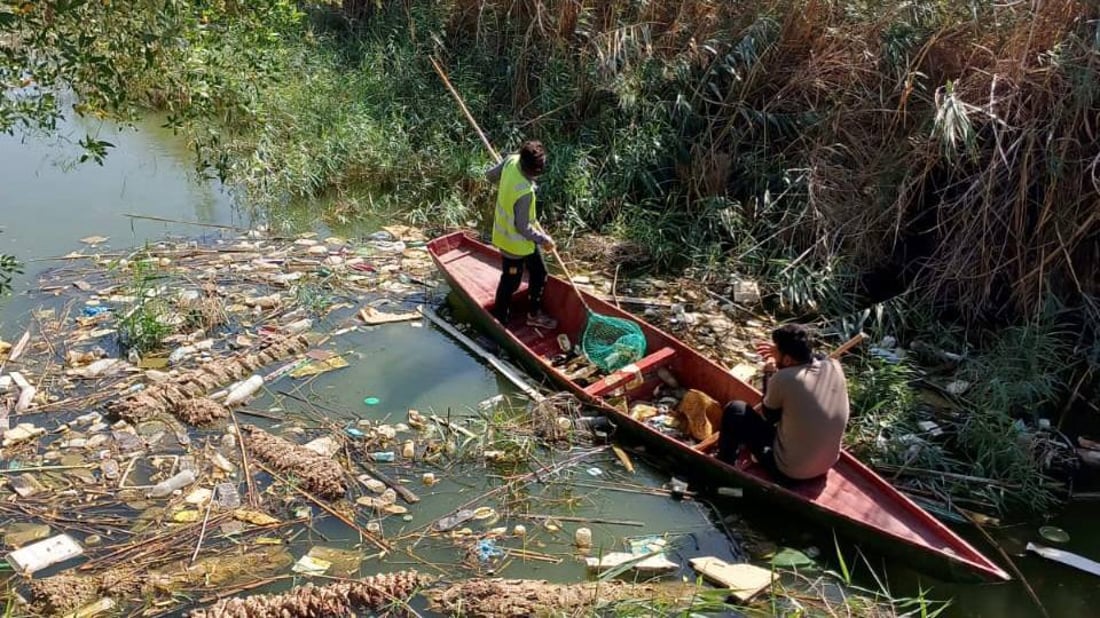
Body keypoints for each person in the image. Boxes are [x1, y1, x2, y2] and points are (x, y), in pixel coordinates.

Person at [718, 324, 850, 484]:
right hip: (827, 464)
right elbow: (820, 356)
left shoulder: (785, 378)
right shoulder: (833, 365)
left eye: (777, 350)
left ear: (787, 359)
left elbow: (769, 417)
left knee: (736, 410)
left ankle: (723, 466)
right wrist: (779, 351)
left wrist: (768, 374)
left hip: (789, 472)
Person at [486, 140, 557, 329]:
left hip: (523, 241)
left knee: (540, 272)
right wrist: (545, 239)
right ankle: (500, 318)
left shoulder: (511, 160)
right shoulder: (525, 193)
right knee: (511, 282)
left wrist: (504, 173)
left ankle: (533, 313)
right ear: (536, 170)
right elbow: (522, 227)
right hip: (513, 244)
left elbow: (489, 176)